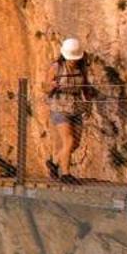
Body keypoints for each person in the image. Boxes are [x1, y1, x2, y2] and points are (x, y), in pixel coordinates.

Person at [42, 37, 94, 182]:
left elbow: (85, 87)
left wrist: (88, 103)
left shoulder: (82, 68)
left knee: (75, 144)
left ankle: (54, 163)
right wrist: (50, 86)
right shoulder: (56, 67)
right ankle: (65, 174)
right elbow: (44, 87)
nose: (73, 60)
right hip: (59, 107)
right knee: (69, 140)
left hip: (76, 107)